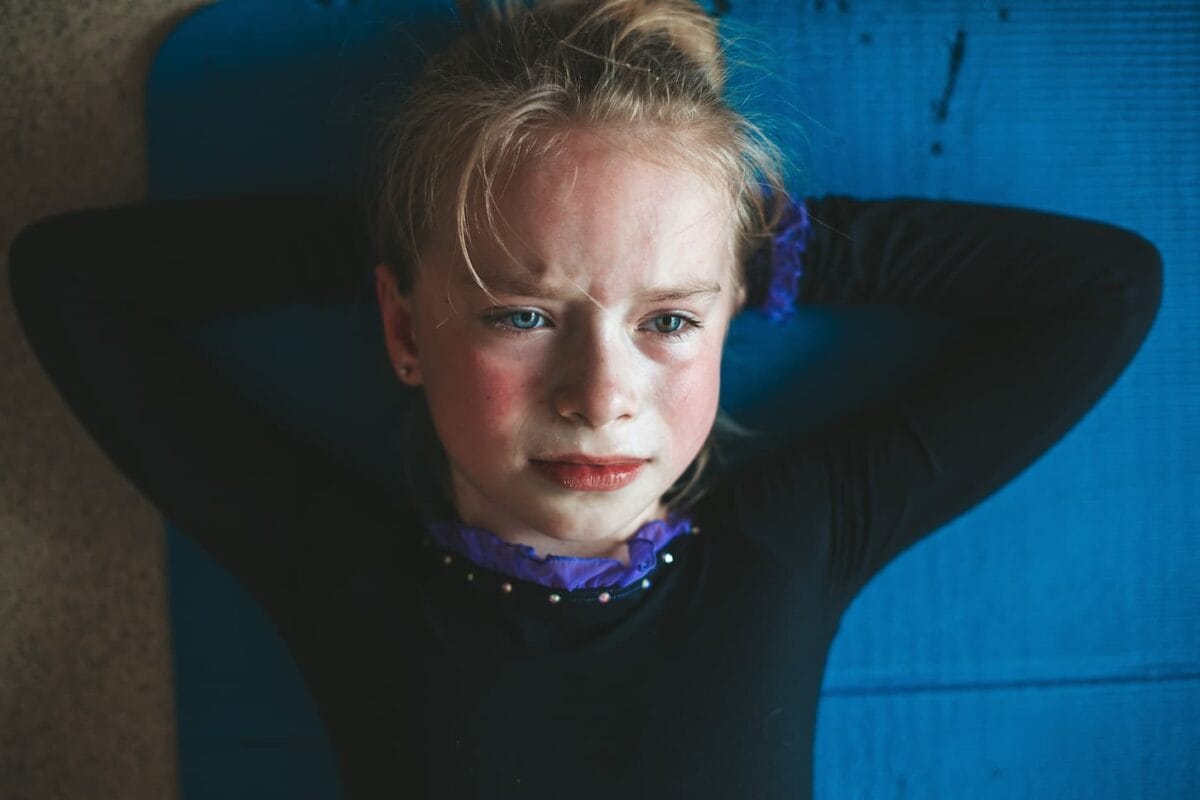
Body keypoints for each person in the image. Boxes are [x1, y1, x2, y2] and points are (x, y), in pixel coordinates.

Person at [7, 0, 1163, 797]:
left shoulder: (794, 541)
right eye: (519, 313)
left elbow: (1105, 288)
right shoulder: (334, 563)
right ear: (404, 327)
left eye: (668, 321)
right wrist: (430, 241)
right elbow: (70, 281)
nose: (602, 395)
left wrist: (767, 249)